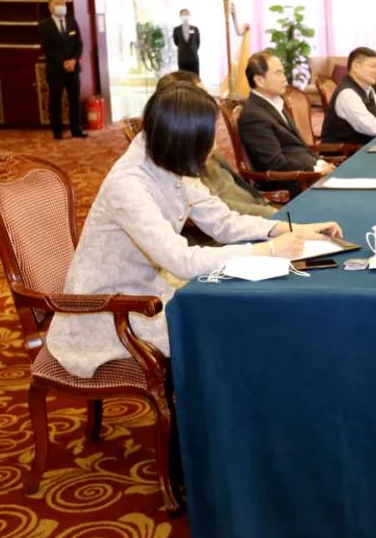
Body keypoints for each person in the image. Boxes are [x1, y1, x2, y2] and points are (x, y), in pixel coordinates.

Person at [44, 80, 343, 379]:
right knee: (234, 327)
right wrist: (270, 250)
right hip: (114, 311)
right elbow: (181, 260)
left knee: (244, 314)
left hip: (150, 289)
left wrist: (286, 229)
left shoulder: (166, 157)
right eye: (207, 138)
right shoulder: (129, 185)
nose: (213, 148)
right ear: (183, 140)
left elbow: (223, 222)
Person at [155, 70, 275, 218]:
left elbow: (237, 185)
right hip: (239, 222)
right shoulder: (177, 160)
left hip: (256, 210)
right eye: (201, 96)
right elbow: (214, 209)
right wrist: (268, 214)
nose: (208, 101)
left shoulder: (206, 140)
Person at [238, 50, 334, 196]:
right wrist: (315, 169)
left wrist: (320, 162)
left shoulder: (276, 103)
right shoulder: (253, 115)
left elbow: (298, 145)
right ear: (259, 80)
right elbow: (275, 163)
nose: (284, 78)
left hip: (308, 175)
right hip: (293, 183)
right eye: (278, 73)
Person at [38, 0, 85, 140]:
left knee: (74, 100)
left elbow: (79, 44)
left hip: (73, 69)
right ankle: (57, 131)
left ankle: (76, 129)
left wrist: (74, 60)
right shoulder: (44, 25)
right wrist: (63, 62)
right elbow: (47, 48)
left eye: (63, 3)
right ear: (50, 7)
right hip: (55, 70)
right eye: (58, 3)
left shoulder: (72, 22)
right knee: (55, 101)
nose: (62, 6)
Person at [172, 8, 200, 75]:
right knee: (183, 78)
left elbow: (198, 42)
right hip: (182, 58)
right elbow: (176, 42)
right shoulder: (176, 29)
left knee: (195, 77)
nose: (186, 16)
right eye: (184, 14)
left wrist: (192, 49)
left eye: (187, 14)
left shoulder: (195, 29)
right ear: (180, 16)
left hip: (193, 58)